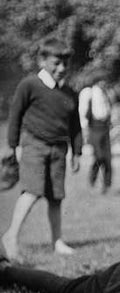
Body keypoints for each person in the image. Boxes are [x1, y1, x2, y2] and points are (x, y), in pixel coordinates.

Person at [1, 38, 83, 263]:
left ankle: (57, 241)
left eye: (66, 63)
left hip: (59, 149)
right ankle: (11, 236)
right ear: (42, 60)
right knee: (32, 191)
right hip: (34, 145)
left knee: (56, 197)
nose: (62, 68)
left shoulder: (69, 92)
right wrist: (14, 145)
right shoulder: (29, 85)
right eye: (56, 63)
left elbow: (75, 126)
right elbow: (15, 115)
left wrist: (77, 152)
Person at [78, 72, 114, 193]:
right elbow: (83, 112)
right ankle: (93, 180)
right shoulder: (89, 93)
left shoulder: (107, 93)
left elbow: (108, 109)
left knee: (108, 158)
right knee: (99, 156)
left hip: (105, 128)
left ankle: (106, 185)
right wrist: (85, 130)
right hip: (94, 127)